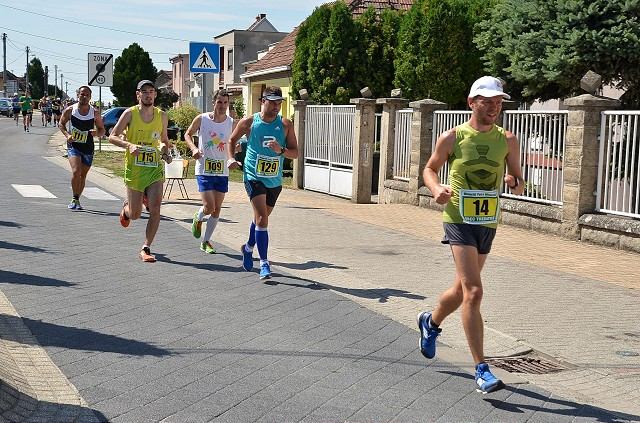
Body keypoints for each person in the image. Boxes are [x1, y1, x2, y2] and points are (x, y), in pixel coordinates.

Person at [417, 76, 525, 394]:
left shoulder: (508, 139)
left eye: (498, 102)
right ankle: (482, 369)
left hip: (487, 220)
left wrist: (513, 181)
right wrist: (437, 189)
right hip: (458, 217)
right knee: (474, 291)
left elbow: (518, 178)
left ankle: (431, 322)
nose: (494, 107)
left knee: (462, 289)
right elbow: (430, 168)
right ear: (472, 102)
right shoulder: (453, 137)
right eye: (488, 101)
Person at [227, 86, 298, 280]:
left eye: (279, 103)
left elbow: (295, 153)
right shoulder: (249, 122)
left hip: (274, 179)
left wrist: (281, 150)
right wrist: (231, 159)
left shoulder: (285, 124)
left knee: (261, 218)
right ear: (263, 101)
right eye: (273, 102)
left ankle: (248, 248)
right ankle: (265, 263)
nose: (276, 106)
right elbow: (231, 141)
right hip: (253, 175)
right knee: (262, 219)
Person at [108, 80, 172, 263]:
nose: (148, 95)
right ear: (138, 95)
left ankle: (146, 247)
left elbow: (165, 140)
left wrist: (166, 152)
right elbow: (112, 136)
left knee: (156, 209)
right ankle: (126, 211)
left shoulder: (162, 116)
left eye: (151, 91)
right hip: (135, 169)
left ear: (155, 95)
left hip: (154, 169)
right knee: (135, 215)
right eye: (144, 92)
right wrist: (128, 144)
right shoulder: (130, 114)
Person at [184, 89, 235, 254]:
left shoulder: (231, 122)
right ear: (214, 103)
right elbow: (187, 134)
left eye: (225, 103)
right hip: (204, 168)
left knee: (217, 209)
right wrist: (193, 148)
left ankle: (206, 241)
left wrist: (234, 151)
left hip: (221, 171)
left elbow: (232, 142)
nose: (222, 106)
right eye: (219, 102)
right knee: (209, 207)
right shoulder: (202, 119)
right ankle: (198, 217)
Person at [58, 86, 105, 210]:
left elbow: (102, 130)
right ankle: (74, 198)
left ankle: (77, 199)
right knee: (76, 171)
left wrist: (96, 133)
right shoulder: (70, 110)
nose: (84, 97)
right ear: (78, 95)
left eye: (87, 95)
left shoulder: (94, 113)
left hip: (88, 147)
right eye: (82, 94)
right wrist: (67, 135)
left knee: (83, 175)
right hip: (74, 145)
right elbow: (61, 124)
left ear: (90, 97)